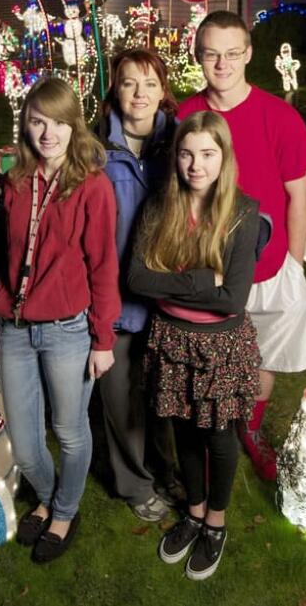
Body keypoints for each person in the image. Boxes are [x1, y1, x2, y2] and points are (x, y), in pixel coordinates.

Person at [176, 10, 306, 480]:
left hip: (269, 266)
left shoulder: (280, 116)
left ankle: (249, 429)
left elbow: (298, 197)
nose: (222, 64)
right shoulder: (186, 114)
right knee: (210, 359)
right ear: (198, 56)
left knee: (262, 358)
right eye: (211, 54)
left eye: (232, 53)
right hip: (210, 267)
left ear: (249, 54)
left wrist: (293, 265)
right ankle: (208, 435)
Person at [0, 77, 119, 563]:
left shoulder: (92, 186)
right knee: (24, 444)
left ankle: (63, 510)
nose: (48, 133)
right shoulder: (14, 180)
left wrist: (103, 338)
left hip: (67, 331)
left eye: (59, 123)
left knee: (68, 430)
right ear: (25, 124)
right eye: (38, 121)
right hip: (17, 329)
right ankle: (47, 494)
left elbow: (103, 264)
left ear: (73, 126)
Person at [128, 111, 262, 580]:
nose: (195, 164)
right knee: (183, 429)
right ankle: (195, 510)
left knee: (218, 435)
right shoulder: (160, 207)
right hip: (172, 338)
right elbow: (136, 277)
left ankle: (217, 523)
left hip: (217, 345)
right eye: (186, 153)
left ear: (223, 158)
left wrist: (168, 281)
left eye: (207, 154)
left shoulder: (243, 214)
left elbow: (233, 299)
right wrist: (201, 278)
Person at [96, 48, 178, 521]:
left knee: (166, 397)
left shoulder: (180, 143)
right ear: (116, 90)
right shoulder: (95, 151)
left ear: (162, 89)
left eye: (149, 83)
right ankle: (133, 483)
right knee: (121, 399)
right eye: (129, 83)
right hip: (117, 300)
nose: (140, 93)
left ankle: (169, 468)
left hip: (169, 299)